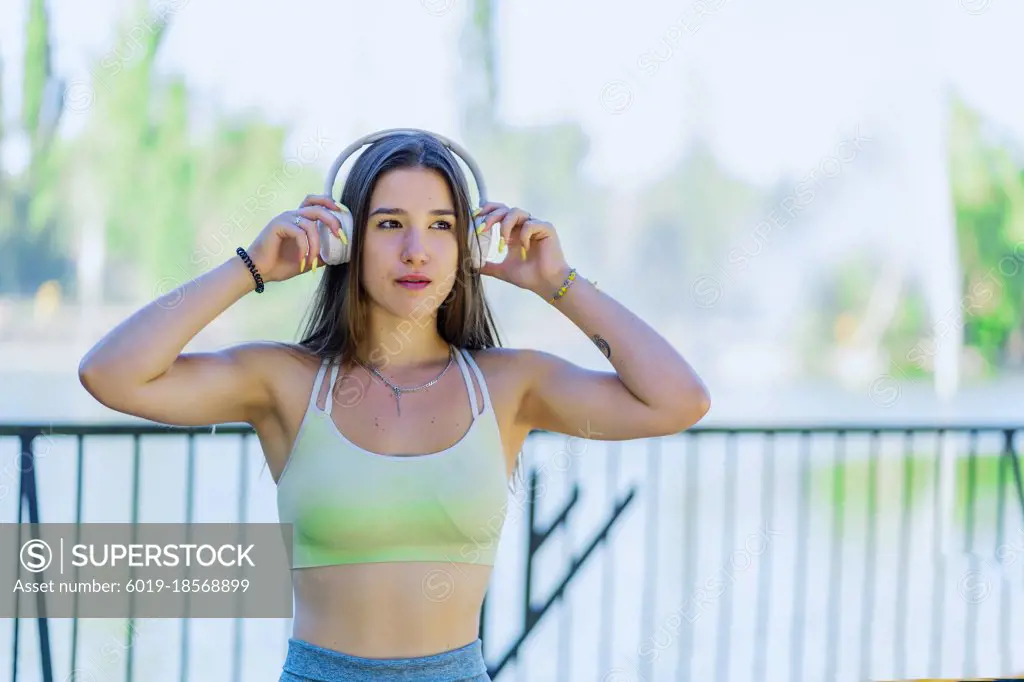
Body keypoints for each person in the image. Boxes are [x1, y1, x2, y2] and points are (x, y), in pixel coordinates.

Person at [77, 129, 711, 681]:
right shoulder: (287, 381)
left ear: (467, 245)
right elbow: (111, 373)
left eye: (441, 226)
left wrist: (558, 284)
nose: (417, 250)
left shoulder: (508, 386)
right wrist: (251, 266)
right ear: (345, 239)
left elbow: (678, 401)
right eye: (389, 224)